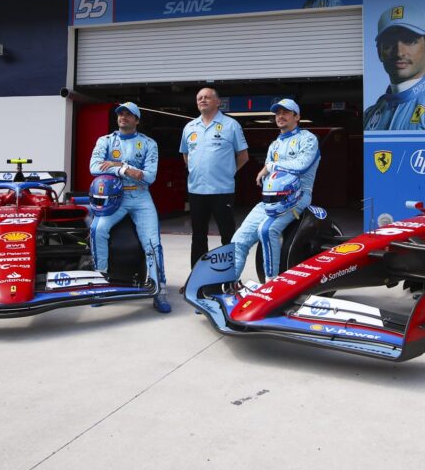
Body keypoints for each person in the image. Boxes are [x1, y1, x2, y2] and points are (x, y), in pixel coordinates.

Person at [89, 101, 171, 313]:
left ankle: (159, 289)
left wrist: (118, 165)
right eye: (120, 114)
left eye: (128, 114)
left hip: (141, 196)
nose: (123, 117)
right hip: (115, 196)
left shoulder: (148, 143)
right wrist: (126, 171)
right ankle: (100, 282)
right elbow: (94, 167)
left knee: (152, 242)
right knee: (98, 229)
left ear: (137, 119)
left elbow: (149, 177)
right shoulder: (106, 140)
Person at [230, 98, 320, 281]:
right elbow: (269, 179)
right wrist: (269, 171)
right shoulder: (275, 145)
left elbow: (302, 165)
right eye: (277, 113)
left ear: (297, 117)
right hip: (271, 200)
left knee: (267, 229)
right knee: (238, 240)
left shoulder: (308, 138)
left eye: (286, 112)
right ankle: (228, 286)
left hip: (299, 195)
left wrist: (271, 166)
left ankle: (272, 283)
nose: (280, 116)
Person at [180, 87, 249, 270]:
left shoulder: (231, 125)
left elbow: (243, 156)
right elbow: (186, 155)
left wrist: (226, 172)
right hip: (196, 191)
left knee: (227, 235)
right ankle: (196, 280)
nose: (202, 100)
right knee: (198, 236)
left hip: (222, 191)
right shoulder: (190, 127)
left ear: (218, 102)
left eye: (207, 97)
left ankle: (228, 279)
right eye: (199, 98)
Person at [363, 4, 425, 130]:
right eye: (389, 43)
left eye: (410, 41)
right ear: (379, 52)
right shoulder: (370, 114)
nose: (399, 53)